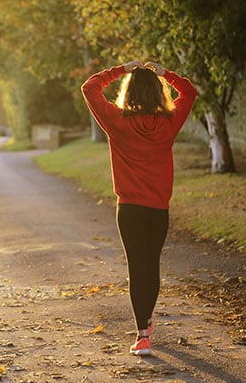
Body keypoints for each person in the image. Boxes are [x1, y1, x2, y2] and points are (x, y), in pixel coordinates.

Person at [81, 60, 197, 356]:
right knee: (151, 265)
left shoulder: (117, 121)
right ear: (158, 92)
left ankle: (142, 335)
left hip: (129, 209)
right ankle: (146, 321)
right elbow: (189, 92)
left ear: (128, 92)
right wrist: (165, 74)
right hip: (158, 209)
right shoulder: (169, 123)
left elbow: (90, 88)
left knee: (137, 267)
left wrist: (121, 69)